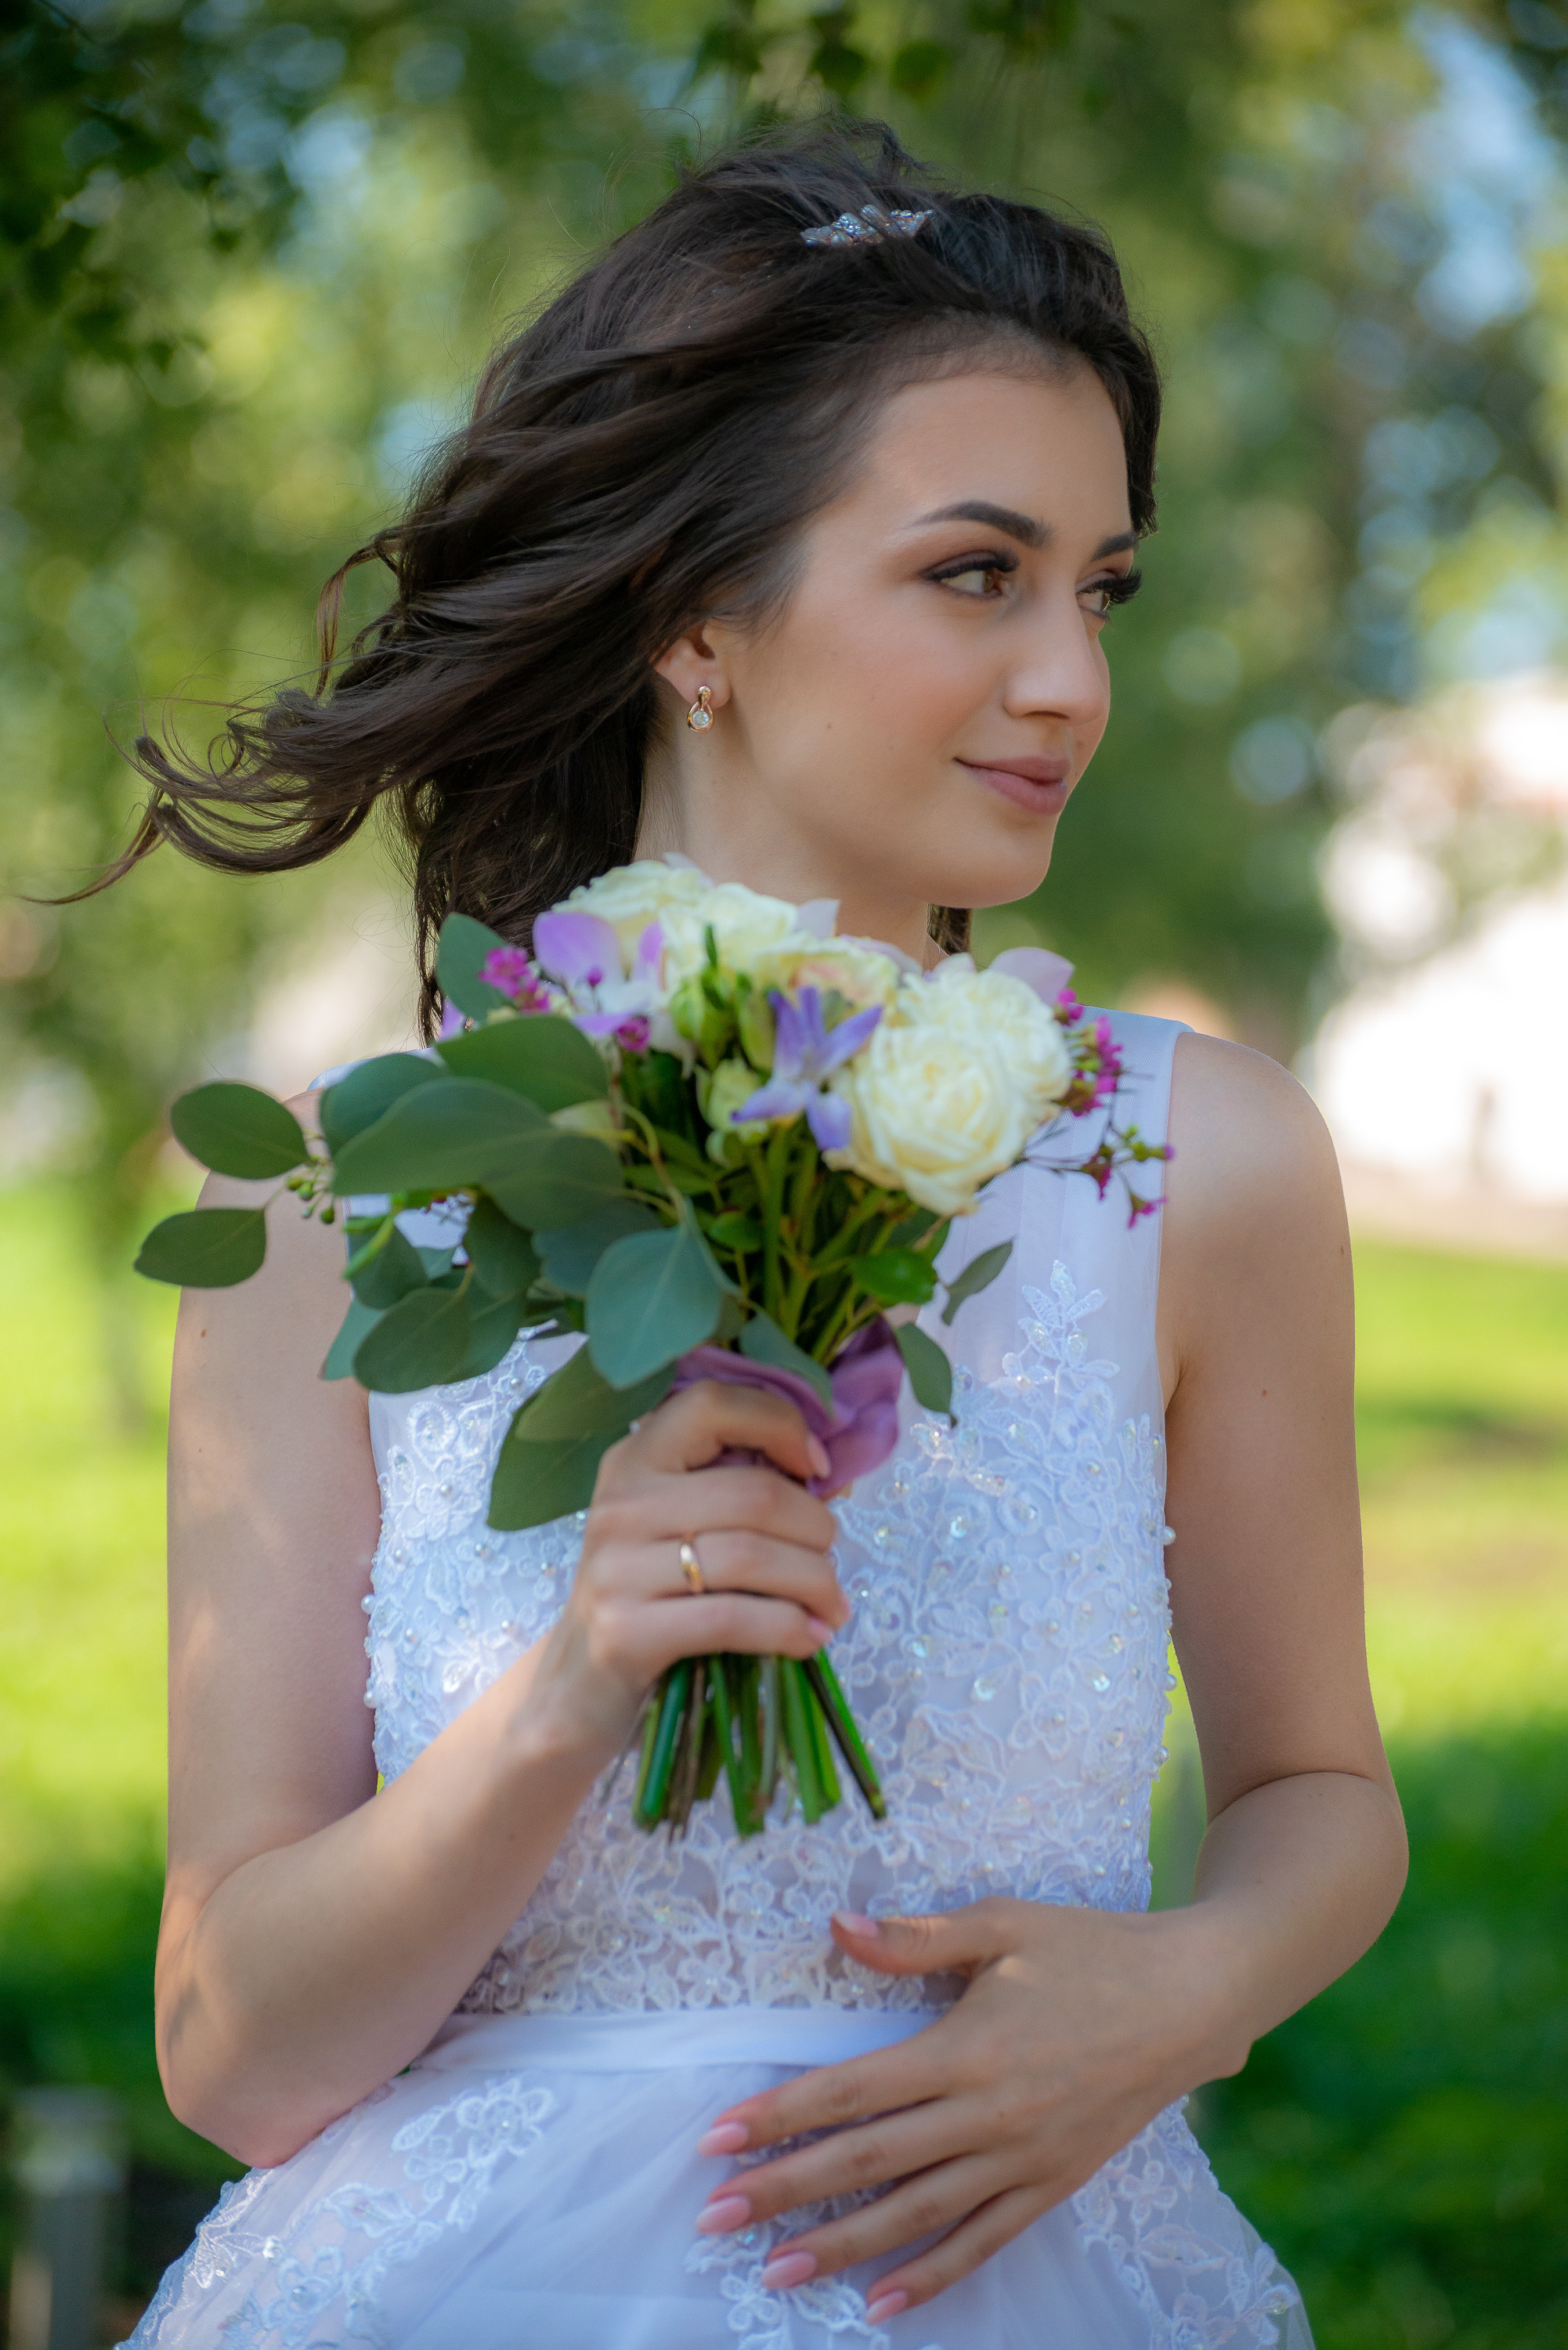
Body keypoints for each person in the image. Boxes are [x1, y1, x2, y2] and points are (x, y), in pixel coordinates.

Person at [108, 121, 1406, 2348]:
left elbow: (1318, 1792)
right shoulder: (339, 1193)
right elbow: (233, 2061)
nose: (1068, 683)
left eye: (1097, 587)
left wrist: (1174, 1997)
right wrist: (564, 1695)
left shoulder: (1200, 1167)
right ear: (696, 616)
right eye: (971, 574)